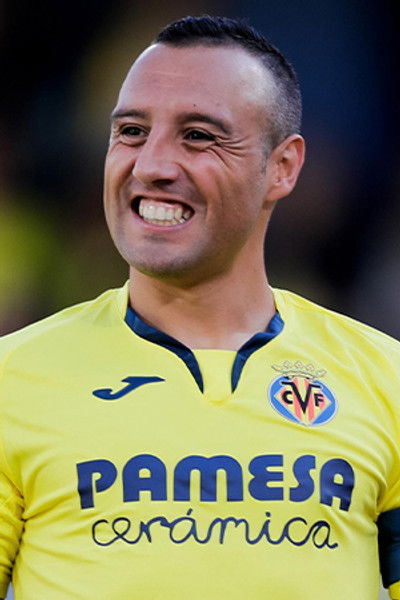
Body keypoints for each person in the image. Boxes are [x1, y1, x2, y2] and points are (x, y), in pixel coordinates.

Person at [0, 15, 399, 600]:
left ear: (283, 167)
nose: (151, 165)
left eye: (199, 136)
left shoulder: (386, 381)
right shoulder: (11, 380)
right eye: (131, 132)